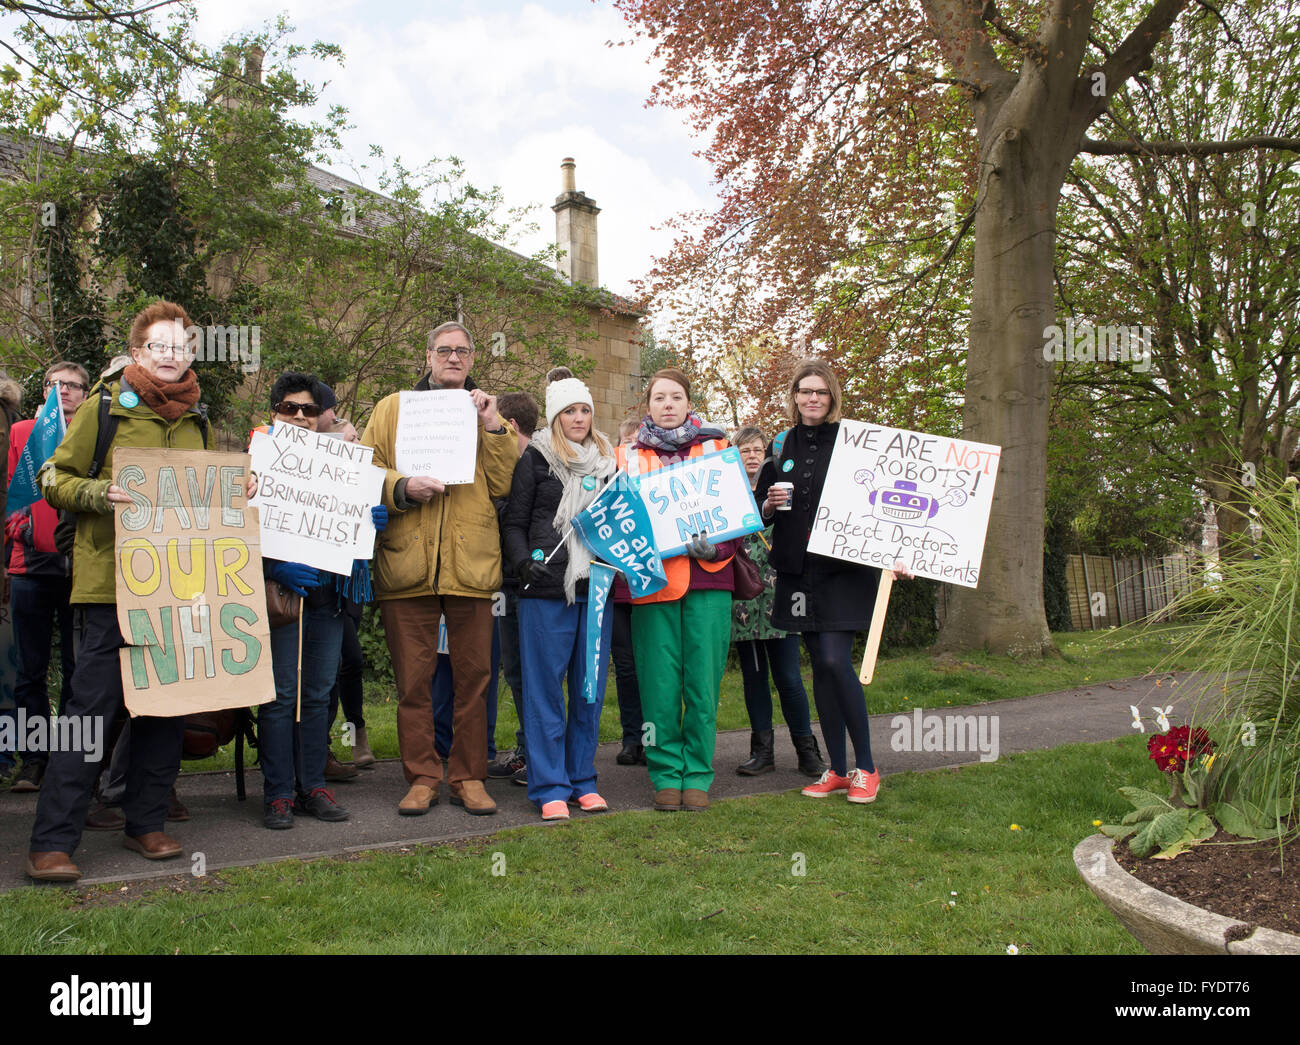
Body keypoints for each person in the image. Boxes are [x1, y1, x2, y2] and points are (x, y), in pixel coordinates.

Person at [27, 301, 207, 881]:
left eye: (182, 346)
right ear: (138, 354)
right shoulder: (104, 408)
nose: (172, 355)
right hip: (109, 587)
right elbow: (52, 476)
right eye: (160, 346)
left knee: (164, 711)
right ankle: (53, 842)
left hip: (177, 590)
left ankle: (146, 824)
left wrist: (236, 487)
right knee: (91, 710)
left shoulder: (199, 422)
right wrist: (100, 494)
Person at [361, 321, 518, 817]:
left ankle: (469, 777)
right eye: (444, 350)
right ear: (427, 356)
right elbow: (363, 469)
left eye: (462, 351)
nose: (453, 358)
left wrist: (493, 428)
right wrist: (403, 487)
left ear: (473, 359)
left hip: (471, 565)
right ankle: (423, 776)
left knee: (474, 679)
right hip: (407, 562)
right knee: (414, 681)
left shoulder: (489, 414)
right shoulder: (392, 408)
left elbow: (506, 484)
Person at [755, 359, 908, 805]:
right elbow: (758, 509)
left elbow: (886, 503)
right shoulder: (781, 444)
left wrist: (900, 552)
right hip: (798, 570)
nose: (812, 399)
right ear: (795, 397)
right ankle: (837, 770)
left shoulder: (857, 442)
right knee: (819, 665)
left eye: (820, 392)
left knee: (835, 660)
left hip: (845, 568)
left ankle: (868, 768)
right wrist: (768, 503)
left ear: (832, 396)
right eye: (805, 391)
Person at [257, 373, 386, 829]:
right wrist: (274, 569)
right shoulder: (257, 462)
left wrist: (368, 521)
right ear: (274, 412)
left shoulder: (344, 465)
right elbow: (235, 533)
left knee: (315, 696)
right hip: (282, 598)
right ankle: (276, 794)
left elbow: (348, 530)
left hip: (329, 598)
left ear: (319, 418)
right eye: (289, 408)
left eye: (308, 410)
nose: (298, 416)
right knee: (279, 698)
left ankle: (312, 785)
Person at [617, 369, 737, 812]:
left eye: (676, 397)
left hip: (709, 577)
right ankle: (666, 773)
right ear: (646, 406)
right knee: (659, 685)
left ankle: (698, 775)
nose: (668, 404)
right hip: (653, 583)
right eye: (659, 398)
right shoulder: (625, 456)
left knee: (702, 684)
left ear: (689, 403)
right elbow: (615, 520)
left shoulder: (718, 446)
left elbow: (738, 512)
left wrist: (718, 545)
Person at [503, 373, 616, 820]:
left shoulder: (609, 462)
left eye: (584, 410)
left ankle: (582, 781)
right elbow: (513, 522)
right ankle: (549, 785)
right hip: (545, 591)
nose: (578, 418)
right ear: (555, 417)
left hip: (597, 589)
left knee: (588, 690)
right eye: (569, 410)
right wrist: (520, 562)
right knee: (544, 690)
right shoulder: (535, 459)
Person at [4, 362, 88, 791]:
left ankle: (72, 763)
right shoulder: (22, 432)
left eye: (73, 385)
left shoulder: (93, 433)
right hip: (29, 568)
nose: (65, 391)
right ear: (44, 389)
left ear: (85, 394)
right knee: (31, 672)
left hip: (81, 570)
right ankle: (33, 760)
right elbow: (11, 493)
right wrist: (23, 532)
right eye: (56, 384)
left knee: (80, 673)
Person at [730, 425, 826, 777]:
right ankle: (762, 751)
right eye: (744, 450)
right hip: (742, 604)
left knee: (788, 677)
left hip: (780, 598)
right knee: (754, 679)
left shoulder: (783, 489)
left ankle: (807, 749)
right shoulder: (725, 494)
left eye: (757, 449)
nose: (752, 456)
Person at [486, 390, 540, 785]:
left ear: (512, 426)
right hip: (504, 583)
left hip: (532, 584)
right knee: (516, 672)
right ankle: (527, 749)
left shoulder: (536, 463)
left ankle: (541, 755)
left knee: (536, 672)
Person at [611, 417, 646, 766]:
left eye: (639, 439)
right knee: (625, 666)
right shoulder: (609, 477)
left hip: (650, 585)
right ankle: (631, 737)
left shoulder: (657, 476)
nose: (633, 444)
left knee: (653, 665)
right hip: (619, 588)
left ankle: (654, 738)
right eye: (627, 440)